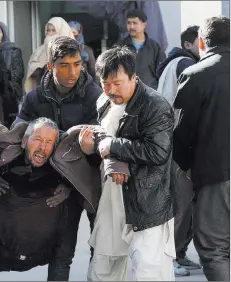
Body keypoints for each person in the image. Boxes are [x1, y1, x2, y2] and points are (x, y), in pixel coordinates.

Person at [0, 117, 107, 280]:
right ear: (24, 141)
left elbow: (101, 143)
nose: (42, 147)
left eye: (49, 142)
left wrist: (70, 185)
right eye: (37, 139)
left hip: (39, 252)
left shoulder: (62, 174)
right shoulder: (6, 153)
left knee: (67, 216)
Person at [83, 46, 176, 281]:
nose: (110, 90)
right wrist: (98, 147)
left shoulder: (156, 106)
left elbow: (158, 152)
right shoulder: (104, 100)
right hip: (112, 198)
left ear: (134, 77)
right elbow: (104, 136)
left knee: (150, 273)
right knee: (102, 270)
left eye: (117, 83)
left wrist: (113, 147)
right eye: (105, 83)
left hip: (147, 202)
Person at [12, 36, 102, 260]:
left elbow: (98, 145)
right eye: (64, 65)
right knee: (62, 251)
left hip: (90, 180)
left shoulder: (95, 96)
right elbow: (19, 133)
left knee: (99, 247)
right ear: (51, 66)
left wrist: (70, 181)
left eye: (77, 64)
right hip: (54, 180)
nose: (72, 72)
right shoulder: (35, 97)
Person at [173, 16, 230, 281]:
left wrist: (184, 168)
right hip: (218, 174)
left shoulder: (196, 74)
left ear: (203, 42)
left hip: (216, 175)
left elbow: (181, 135)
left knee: (214, 248)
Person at [156, 25, 202, 277]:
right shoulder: (185, 64)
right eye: (200, 41)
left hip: (172, 142)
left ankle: (180, 254)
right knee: (181, 204)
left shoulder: (174, 62)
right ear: (188, 44)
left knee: (184, 204)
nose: (204, 46)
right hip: (177, 145)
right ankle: (170, 258)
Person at [117, 9, 166, 90]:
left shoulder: (155, 47)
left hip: (150, 93)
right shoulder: (120, 46)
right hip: (127, 92)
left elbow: (162, 72)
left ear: (144, 24)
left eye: (135, 23)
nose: (131, 27)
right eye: (129, 23)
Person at [24, 17, 74, 94]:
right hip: (43, 96)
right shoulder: (39, 52)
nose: (50, 33)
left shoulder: (72, 51)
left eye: (54, 30)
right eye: (48, 30)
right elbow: (32, 77)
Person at [0, 21, 24, 97]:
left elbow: (17, 74)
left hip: (9, 92)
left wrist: (2, 81)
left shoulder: (13, 50)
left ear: (4, 33)